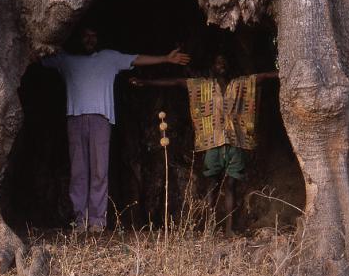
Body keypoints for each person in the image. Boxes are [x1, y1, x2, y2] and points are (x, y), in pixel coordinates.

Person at [42, 27, 190, 232]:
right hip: (75, 119)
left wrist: (166, 58)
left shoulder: (109, 58)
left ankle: (97, 221)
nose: (89, 39)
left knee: (99, 171)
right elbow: (36, 55)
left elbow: (137, 59)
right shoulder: (66, 60)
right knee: (78, 172)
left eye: (93, 35)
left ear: (98, 39)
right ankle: (80, 220)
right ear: (79, 38)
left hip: (101, 120)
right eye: (86, 35)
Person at [130, 53, 277, 236]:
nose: (221, 65)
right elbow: (177, 82)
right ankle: (210, 228)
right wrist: (147, 83)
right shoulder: (203, 86)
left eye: (224, 62)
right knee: (213, 185)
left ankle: (230, 229)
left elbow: (262, 77)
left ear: (229, 67)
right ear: (213, 67)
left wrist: (286, 73)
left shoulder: (241, 85)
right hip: (212, 142)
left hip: (234, 141)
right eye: (218, 62)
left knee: (231, 185)